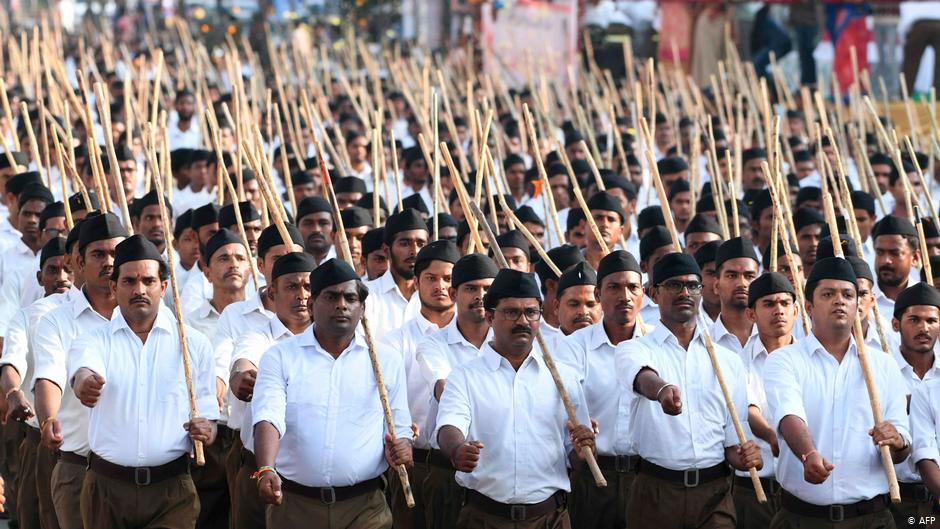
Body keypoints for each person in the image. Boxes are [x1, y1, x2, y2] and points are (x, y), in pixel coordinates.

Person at [69, 235, 219, 528]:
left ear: (163, 287)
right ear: (114, 287)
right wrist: (85, 384)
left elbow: (209, 417)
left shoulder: (193, 344)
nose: (139, 290)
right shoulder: (94, 340)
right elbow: (83, 371)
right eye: (129, 281)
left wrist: (207, 429)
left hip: (172, 490)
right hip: (106, 489)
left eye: (148, 281)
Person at [251, 258, 413, 528]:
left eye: (350, 298)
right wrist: (266, 468)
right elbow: (268, 416)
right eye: (331, 296)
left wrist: (403, 448)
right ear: (312, 306)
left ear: (362, 308)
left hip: (365, 507)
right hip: (294, 505)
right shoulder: (280, 357)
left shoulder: (386, 360)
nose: (341, 305)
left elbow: (399, 425)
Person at [435, 268, 595, 528]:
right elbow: (448, 426)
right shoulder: (465, 377)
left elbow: (577, 456)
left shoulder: (564, 377)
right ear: (489, 316)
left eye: (531, 312)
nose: (523, 320)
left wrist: (585, 449)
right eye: (511, 312)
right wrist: (457, 450)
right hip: (483, 518)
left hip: (549, 519)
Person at [616, 252, 762, 528]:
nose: (685, 292)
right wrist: (662, 391)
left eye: (692, 285)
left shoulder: (727, 361)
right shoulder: (634, 349)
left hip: (715, 493)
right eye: (673, 285)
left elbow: (733, 443)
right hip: (656, 492)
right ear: (653, 293)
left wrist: (747, 457)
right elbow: (642, 377)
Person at [763, 257, 911, 528]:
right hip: (802, 518)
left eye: (848, 295)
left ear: (858, 305)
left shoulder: (884, 365)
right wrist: (808, 454)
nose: (840, 301)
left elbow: (902, 445)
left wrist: (897, 440)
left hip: (872, 519)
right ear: (808, 307)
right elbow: (789, 414)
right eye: (828, 294)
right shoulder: (784, 360)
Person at [32, 213, 128, 529]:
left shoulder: (150, 317)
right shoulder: (56, 321)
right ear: (78, 261)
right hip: (79, 469)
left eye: (116, 253)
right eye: (98, 254)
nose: (109, 262)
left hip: (140, 476)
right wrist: (47, 419)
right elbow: (49, 377)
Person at [228, 252, 315, 529]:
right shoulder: (257, 337)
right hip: (258, 468)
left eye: (308, 286)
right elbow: (243, 362)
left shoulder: (335, 342)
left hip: (310, 478)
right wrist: (241, 377)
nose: (302, 295)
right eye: (292, 286)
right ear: (272, 292)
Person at [559, 250, 645, 529]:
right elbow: (564, 408)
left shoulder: (657, 345)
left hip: (647, 480)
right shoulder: (573, 347)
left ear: (643, 293)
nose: (625, 296)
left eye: (633, 287)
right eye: (614, 287)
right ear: (599, 295)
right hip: (591, 476)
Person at [378, 240, 459, 529]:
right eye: (431, 278)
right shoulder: (394, 342)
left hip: (462, 466)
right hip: (412, 464)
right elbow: (385, 401)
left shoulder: (477, 339)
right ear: (416, 282)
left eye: (448, 279)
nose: (440, 286)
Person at [415, 253, 498, 529]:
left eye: (487, 289)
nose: (480, 296)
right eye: (471, 288)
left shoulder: (508, 346)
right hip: (446, 467)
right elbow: (444, 389)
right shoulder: (433, 345)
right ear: (454, 293)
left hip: (496, 471)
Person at [0, 237, 73, 529]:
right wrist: (14, 391)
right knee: (38, 517)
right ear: (39, 277)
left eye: (67, 268)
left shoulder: (102, 315)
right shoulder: (27, 317)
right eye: (53, 270)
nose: (62, 277)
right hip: (40, 443)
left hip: (89, 448)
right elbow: (11, 361)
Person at [735, 272, 799, 528]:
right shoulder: (738, 361)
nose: (779, 311)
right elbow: (747, 409)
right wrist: (773, 437)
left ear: (796, 310)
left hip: (801, 490)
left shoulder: (811, 360)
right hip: (755, 489)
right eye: (769, 304)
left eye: (785, 303)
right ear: (751, 314)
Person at [887, 283, 940, 526]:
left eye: (931, 320)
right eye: (914, 320)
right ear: (896, 324)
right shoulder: (880, 373)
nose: (924, 328)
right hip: (896, 501)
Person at [364, 208, 428, 336]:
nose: (414, 251)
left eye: (420, 244)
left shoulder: (436, 297)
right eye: (405, 244)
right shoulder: (367, 296)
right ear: (387, 250)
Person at [709, 237, 760, 360]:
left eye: (749, 276)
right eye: (732, 275)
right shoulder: (705, 343)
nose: (742, 283)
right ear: (716, 285)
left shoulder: (775, 338)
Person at [873, 216, 921, 318]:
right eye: (880, 252)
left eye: (895, 253)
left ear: (915, 258)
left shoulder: (926, 300)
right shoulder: (861, 299)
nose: (886, 261)